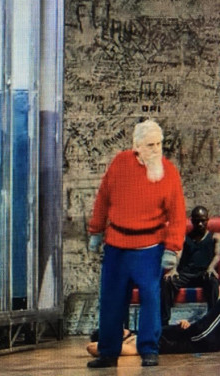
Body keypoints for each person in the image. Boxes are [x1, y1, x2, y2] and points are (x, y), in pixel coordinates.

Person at [87, 119, 187, 368]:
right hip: (117, 246)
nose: (156, 149)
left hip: (149, 248)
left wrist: (172, 248)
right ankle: (108, 353)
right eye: (150, 145)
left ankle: (149, 349)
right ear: (137, 147)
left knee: (151, 299)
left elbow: (177, 214)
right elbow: (103, 198)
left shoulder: (168, 172)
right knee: (111, 300)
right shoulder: (120, 163)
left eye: (159, 144)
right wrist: (96, 230)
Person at [87, 298, 220, 356]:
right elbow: (91, 347)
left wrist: (182, 324)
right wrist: (109, 340)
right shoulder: (134, 344)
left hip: (193, 332)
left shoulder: (138, 333)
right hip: (198, 338)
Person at [161, 205, 220, 325]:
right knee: (168, 282)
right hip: (186, 274)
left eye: (202, 220)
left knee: (213, 281)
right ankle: (164, 323)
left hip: (204, 273)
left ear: (207, 220)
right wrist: (173, 269)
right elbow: (178, 254)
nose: (200, 224)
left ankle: (212, 322)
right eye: (197, 221)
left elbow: (217, 255)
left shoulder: (215, 237)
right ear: (192, 221)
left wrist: (211, 267)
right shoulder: (184, 238)